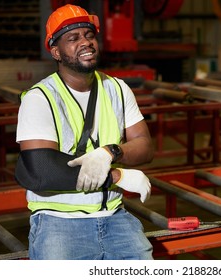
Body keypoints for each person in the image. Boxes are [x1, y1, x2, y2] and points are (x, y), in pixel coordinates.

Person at [15, 4, 154, 260]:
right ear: (55, 52)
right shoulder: (40, 98)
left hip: (115, 217)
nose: (85, 42)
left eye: (89, 35)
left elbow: (144, 145)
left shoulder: (118, 89)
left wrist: (111, 151)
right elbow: (42, 171)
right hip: (59, 223)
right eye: (73, 38)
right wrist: (116, 176)